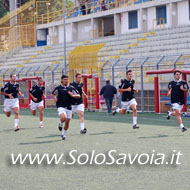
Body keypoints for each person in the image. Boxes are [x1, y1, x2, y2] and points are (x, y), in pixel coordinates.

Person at [52, 75, 80, 140]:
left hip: (69, 107)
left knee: (67, 122)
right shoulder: (58, 88)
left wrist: (72, 95)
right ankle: (61, 123)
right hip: (60, 106)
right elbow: (53, 93)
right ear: (62, 80)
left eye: (67, 79)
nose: (66, 80)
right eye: (65, 79)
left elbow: (78, 95)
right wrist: (54, 98)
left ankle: (63, 134)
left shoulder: (71, 88)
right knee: (64, 117)